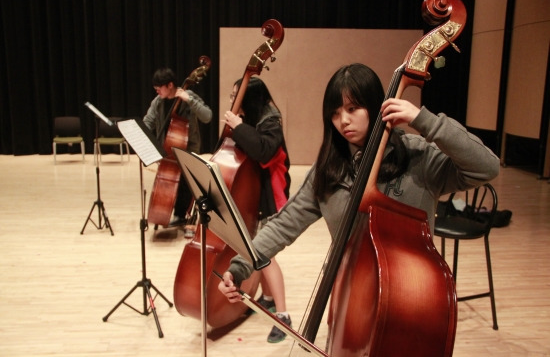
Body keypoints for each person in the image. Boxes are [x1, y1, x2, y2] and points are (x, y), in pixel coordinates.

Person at [218, 63, 500, 340]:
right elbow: (283, 225)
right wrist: (240, 265)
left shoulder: (418, 158)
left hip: (412, 300)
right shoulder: (329, 169)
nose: (343, 121)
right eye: (335, 113)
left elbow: (485, 167)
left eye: (353, 109)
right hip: (351, 296)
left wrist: (425, 121)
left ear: (376, 105)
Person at [222, 77, 292, 343]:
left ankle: (284, 317)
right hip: (257, 194)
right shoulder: (255, 117)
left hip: (272, 194)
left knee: (265, 254)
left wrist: (239, 127)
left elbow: (263, 151)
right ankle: (268, 298)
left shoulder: (271, 121)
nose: (233, 102)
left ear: (251, 99)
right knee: (257, 245)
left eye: (237, 97)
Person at [143, 67, 212, 237]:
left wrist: (189, 100)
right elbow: (148, 122)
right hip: (167, 153)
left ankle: (189, 220)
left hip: (189, 151)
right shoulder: (158, 102)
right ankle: (178, 216)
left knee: (189, 185)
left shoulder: (189, 97)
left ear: (170, 85)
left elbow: (207, 116)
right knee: (170, 185)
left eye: (159, 87)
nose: (157, 90)